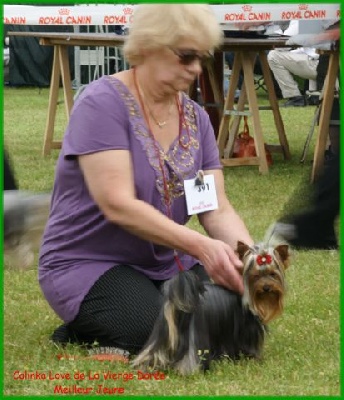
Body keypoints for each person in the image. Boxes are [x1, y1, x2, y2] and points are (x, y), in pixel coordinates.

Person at [38, 4, 253, 360]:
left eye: (202, 58)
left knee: (233, 318)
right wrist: (201, 247)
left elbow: (214, 207)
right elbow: (117, 204)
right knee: (172, 333)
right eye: (186, 56)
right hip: (89, 263)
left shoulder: (197, 119)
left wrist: (249, 258)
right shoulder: (101, 105)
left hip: (166, 266)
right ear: (151, 46)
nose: (197, 69)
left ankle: (107, 324)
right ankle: (90, 323)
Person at [267, 20, 319, 107]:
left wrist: (277, 27)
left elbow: (281, 46)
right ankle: (313, 96)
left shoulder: (300, 19)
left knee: (273, 56)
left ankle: (294, 96)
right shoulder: (319, 16)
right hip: (332, 62)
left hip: (319, 65)